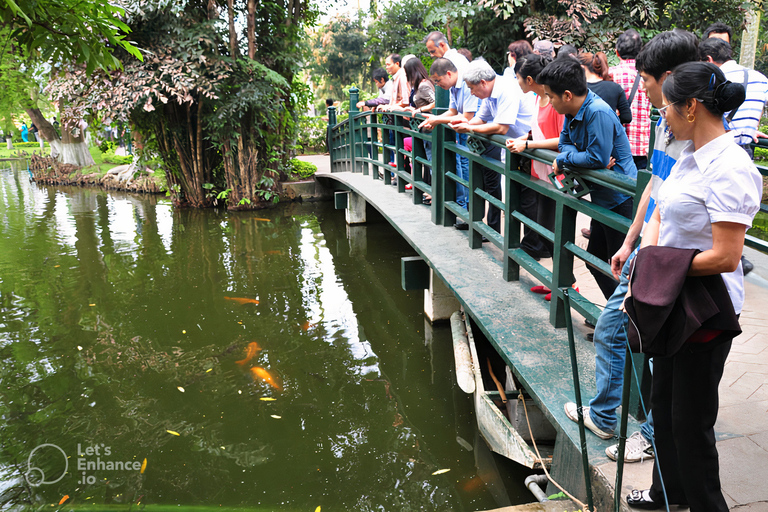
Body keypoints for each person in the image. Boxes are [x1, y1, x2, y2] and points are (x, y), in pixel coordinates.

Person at [626, 61, 760, 512]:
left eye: (665, 107)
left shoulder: (729, 165)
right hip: (669, 297)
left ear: (691, 106)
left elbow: (725, 255)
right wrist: (647, 257)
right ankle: (670, 492)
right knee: (662, 410)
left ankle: (706, 504)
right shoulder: (688, 155)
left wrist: (656, 267)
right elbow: (660, 210)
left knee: (691, 423)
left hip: (705, 308)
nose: (659, 115)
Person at [563, 29, 700, 461]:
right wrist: (631, 242)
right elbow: (654, 188)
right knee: (614, 329)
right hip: (652, 251)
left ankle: (651, 437)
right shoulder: (666, 122)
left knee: (663, 348)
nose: (639, 86)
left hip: (676, 259)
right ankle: (607, 416)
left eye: (645, 78)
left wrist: (649, 262)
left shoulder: (703, 133)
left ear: (672, 76)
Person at [536, 58, 637, 299]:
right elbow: (564, 144)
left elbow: (596, 159)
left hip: (620, 196)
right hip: (602, 196)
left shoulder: (597, 111)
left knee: (619, 267)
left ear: (567, 95)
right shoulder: (573, 111)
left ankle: (624, 326)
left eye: (551, 96)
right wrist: (572, 155)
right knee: (595, 261)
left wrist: (563, 160)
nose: (549, 102)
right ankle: (616, 320)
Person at [451, 58, 534, 236]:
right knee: (516, 197)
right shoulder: (490, 94)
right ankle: (522, 243)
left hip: (529, 146)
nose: (472, 93)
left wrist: (469, 128)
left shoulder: (506, 89)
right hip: (514, 147)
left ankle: (530, 247)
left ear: (483, 82)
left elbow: (501, 127)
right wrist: (465, 123)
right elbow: (480, 118)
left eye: (472, 88)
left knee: (528, 200)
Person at [507, 53, 568, 272]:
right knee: (544, 230)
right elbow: (540, 129)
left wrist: (529, 146)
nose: (517, 82)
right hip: (542, 172)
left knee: (552, 231)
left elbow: (564, 138)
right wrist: (527, 137)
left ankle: (567, 283)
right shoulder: (536, 98)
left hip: (557, 174)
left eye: (518, 78)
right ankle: (557, 280)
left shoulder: (555, 99)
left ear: (529, 80)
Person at [419, 58, 480, 220]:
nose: (438, 85)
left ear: (448, 74)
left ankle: (471, 212)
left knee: (474, 170)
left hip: (480, 134)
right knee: (464, 163)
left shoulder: (466, 84)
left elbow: (467, 116)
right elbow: (452, 112)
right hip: (469, 133)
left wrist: (436, 120)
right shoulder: (453, 87)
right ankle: (464, 207)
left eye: (438, 81)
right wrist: (433, 119)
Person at [698, 37, 768, 158]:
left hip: (716, 151)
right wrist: (750, 128)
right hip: (744, 152)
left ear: (708, 60)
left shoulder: (714, 79)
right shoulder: (760, 79)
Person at [610, 29, 652, 170]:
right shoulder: (649, 77)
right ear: (640, 53)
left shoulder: (609, 75)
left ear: (617, 52)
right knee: (638, 188)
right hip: (641, 145)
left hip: (615, 146)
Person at [401, 58, 435, 196]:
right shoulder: (419, 86)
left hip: (430, 128)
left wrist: (420, 111)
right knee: (428, 159)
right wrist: (412, 109)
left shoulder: (424, 85)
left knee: (433, 161)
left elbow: (435, 102)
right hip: (424, 128)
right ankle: (432, 191)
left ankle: (435, 193)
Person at [577, 52, 632, 125]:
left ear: (582, 67)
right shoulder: (615, 88)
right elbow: (627, 117)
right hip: (608, 134)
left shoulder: (577, 89)